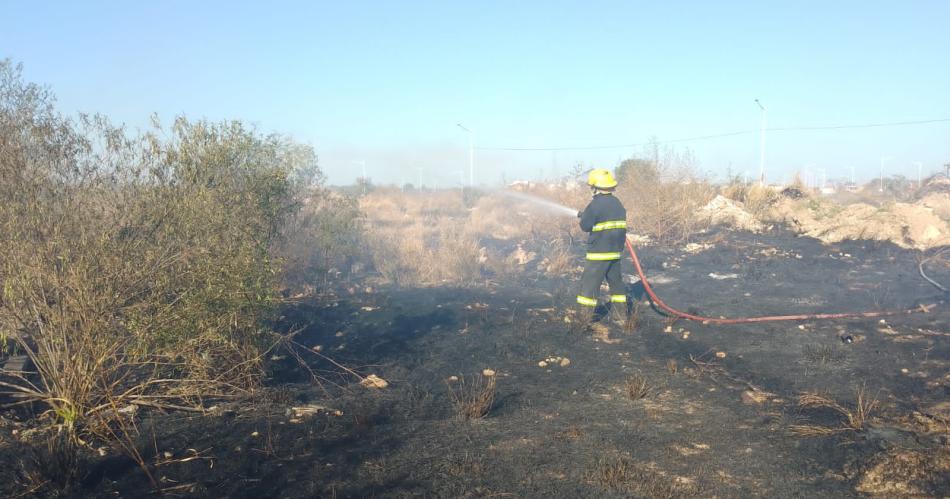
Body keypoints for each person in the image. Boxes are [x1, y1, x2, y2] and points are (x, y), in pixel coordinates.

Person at [576, 168, 629, 328]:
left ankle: (583, 320)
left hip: (598, 254)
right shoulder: (617, 203)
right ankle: (621, 317)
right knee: (617, 285)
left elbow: (585, 226)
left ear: (595, 187)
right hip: (615, 253)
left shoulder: (595, 204)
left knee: (589, 287)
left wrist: (585, 216)